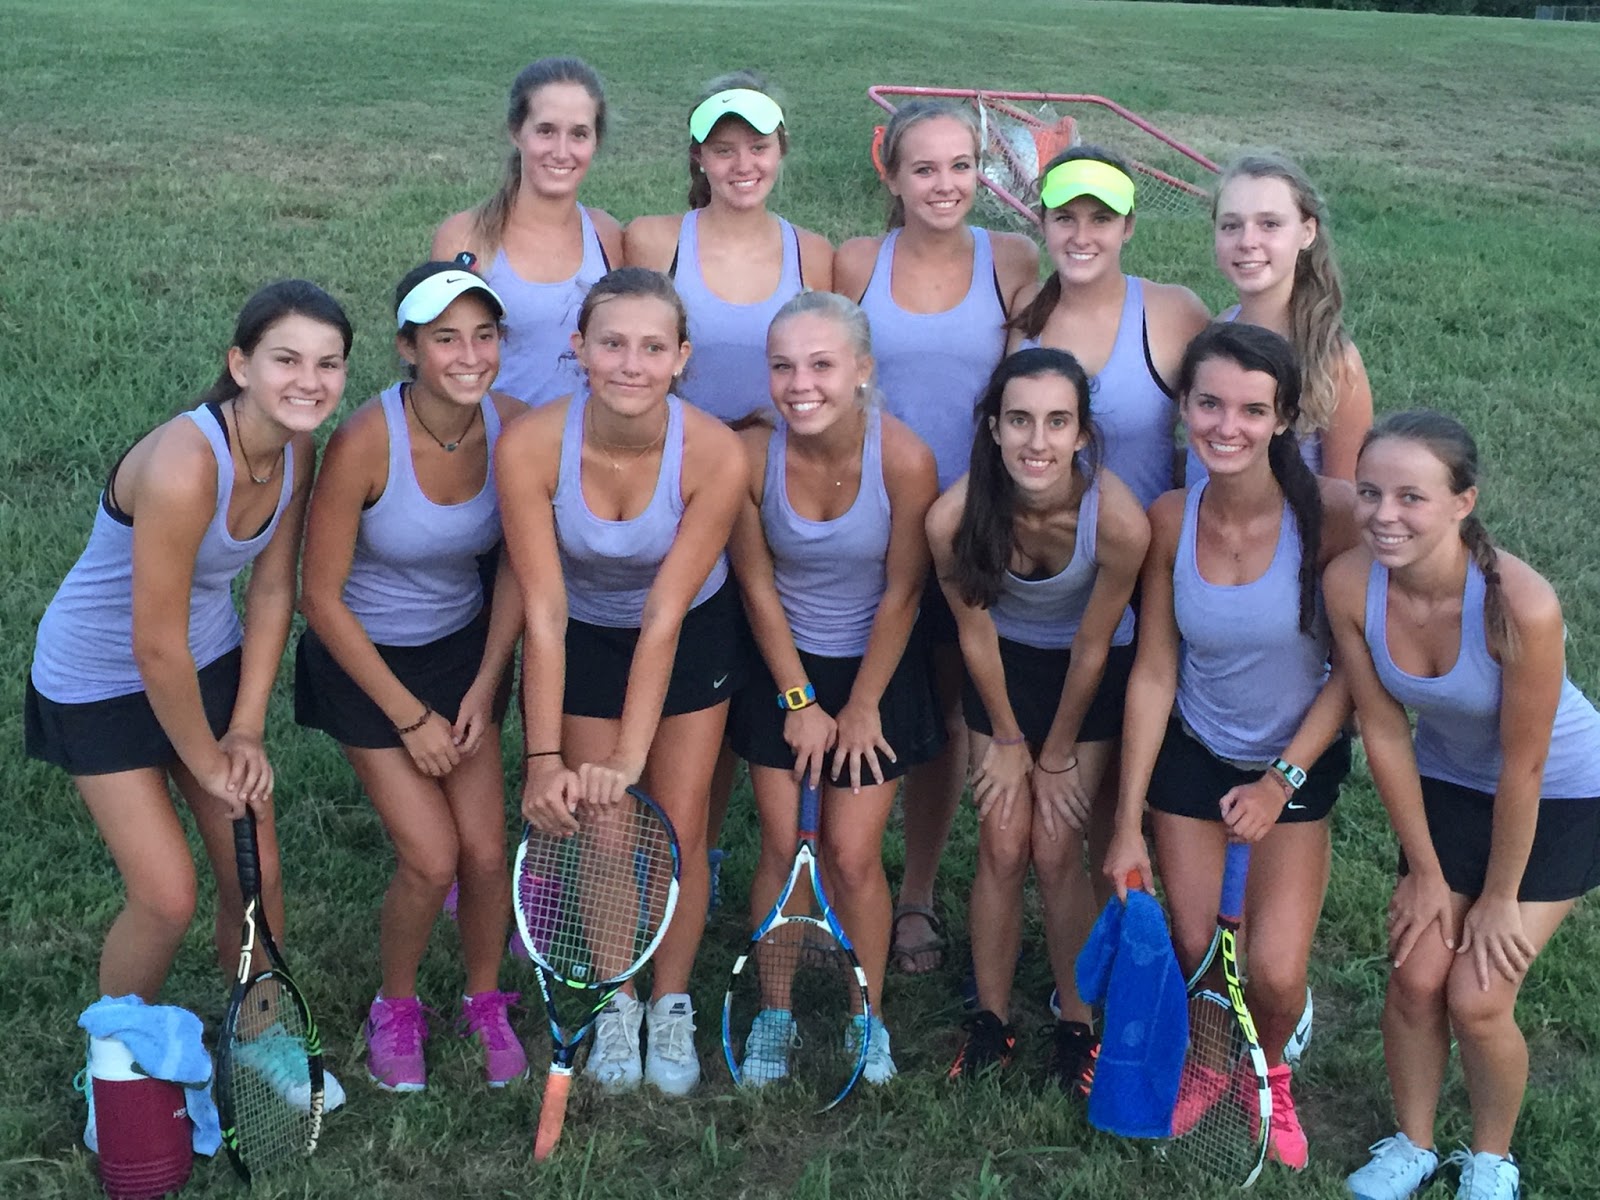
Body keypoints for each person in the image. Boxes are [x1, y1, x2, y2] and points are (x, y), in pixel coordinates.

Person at [26, 279, 350, 1108]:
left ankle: (262, 1036)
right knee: (166, 896)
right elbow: (152, 643)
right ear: (240, 365)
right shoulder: (183, 464)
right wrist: (205, 761)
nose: (309, 381)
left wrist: (245, 730)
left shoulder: (297, 448)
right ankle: (113, 1065)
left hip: (203, 662)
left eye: (328, 364)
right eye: (286, 360)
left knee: (256, 871)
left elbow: (271, 590)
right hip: (98, 681)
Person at [1103, 322, 1361, 1170]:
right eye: (1209, 404)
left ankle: (1270, 1069)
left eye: (1253, 410)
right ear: (1184, 407)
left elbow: (1355, 670)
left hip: (1295, 762)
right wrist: (1127, 821)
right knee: (1198, 952)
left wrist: (1282, 780)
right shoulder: (1171, 518)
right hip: (1197, 753)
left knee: (1276, 973)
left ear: (1284, 418)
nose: (1227, 426)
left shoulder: (1332, 516)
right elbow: (1154, 672)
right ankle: (1212, 1066)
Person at [1327, 412, 1600, 1200]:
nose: (1384, 515)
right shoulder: (1349, 584)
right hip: (1449, 782)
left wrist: (1499, 897)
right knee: (1415, 978)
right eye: (1370, 492)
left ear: (1463, 502)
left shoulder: (1521, 604)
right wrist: (1425, 870)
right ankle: (1412, 1145)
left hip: (1563, 793)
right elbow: (1384, 732)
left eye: (1411, 497)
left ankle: (1490, 1159)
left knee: (1477, 999)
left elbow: (1526, 766)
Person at [496, 267, 746, 1097]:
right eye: (612, 344)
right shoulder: (530, 445)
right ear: (579, 348)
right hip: (584, 633)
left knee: (677, 826)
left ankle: (670, 1003)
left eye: (652, 347)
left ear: (681, 357)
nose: (631, 365)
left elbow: (666, 615)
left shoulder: (714, 452)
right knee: (604, 832)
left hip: (689, 630)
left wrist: (630, 756)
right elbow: (543, 612)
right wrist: (542, 759)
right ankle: (618, 998)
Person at [296, 259, 527, 1092]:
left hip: (463, 655)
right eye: (445, 339)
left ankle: (483, 998)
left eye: (484, 335)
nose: (469, 356)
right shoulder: (364, 442)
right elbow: (319, 598)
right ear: (407, 348)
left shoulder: (513, 426)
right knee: (432, 859)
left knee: (487, 854)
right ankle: (394, 1006)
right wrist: (410, 718)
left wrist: (484, 686)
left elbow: (519, 568)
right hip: (365, 662)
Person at [835, 98, 1039, 976]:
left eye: (962, 166)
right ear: (891, 174)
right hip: (867, 523)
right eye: (924, 168)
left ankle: (915, 889)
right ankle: (829, 873)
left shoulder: (1012, 260)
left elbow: (1028, 390)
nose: (945, 185)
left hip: (966, 526)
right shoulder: (855, 261)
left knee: (949, 710)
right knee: (853, 690)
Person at [623, 71, 836, 905]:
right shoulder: (653, 240)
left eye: (758, 146)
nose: (742, 164)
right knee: (679, 664)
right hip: (670, 491)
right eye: (723, 148)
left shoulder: (812, 253)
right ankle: (673, 851)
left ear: (782, 151)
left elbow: (826, 372)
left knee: (741, 662)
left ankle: (704, 848)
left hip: (775, 495)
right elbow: (631, 353)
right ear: (698, 157)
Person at [725, 290, 941, 1085]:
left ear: (862, 370)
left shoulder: (905, 459)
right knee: (784, 847)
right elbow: (756, 587)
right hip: (784, 666)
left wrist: (860, 707)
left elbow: (903, 593)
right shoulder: (751, 458)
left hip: (876, 671)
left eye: (821, 364)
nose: (800, 384)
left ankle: (866, 1018)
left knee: (850, 857)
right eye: (783, 366)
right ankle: (775, 1014)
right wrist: (799, 701)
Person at [930, 348, 1148, 1089]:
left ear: (1082, 434)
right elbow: (974, 634)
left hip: (1087, 677)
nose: (1037, 441)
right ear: (993, 428)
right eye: (1019, 420)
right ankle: (989, 1022)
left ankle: (1076, 1026)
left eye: (1058, 422)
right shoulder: (953, 519)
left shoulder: (1117, 522)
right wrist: (1007, 738)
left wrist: (1052, 754)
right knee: (1000, 840)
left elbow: (1092, 647)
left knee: (1055, 847)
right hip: (1002, 669)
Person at [1008, 146, 1210, 511]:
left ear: (1127, 227)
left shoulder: (1174, 313)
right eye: (1065, 218)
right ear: (1042, 222)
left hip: (1143, 539)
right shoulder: (1027, 307)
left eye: (1101, 219)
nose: (1081, 237)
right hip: (1036, 539)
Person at [432, 56, 623, 407]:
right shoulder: (464, 237)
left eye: (579, 134)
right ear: (516, 131)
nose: (562, 152)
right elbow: (437, 362)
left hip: (588, 437)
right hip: (494, 436)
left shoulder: (607, 235)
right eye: (546, 130)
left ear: (596, 141)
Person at [1187, 153, 1373, 485]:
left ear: (1307, 232)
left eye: (1270, 224)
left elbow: (1346, 495)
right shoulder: (1219, 328)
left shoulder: (1333, 361)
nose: (1247, 241)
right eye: (1231, 225)